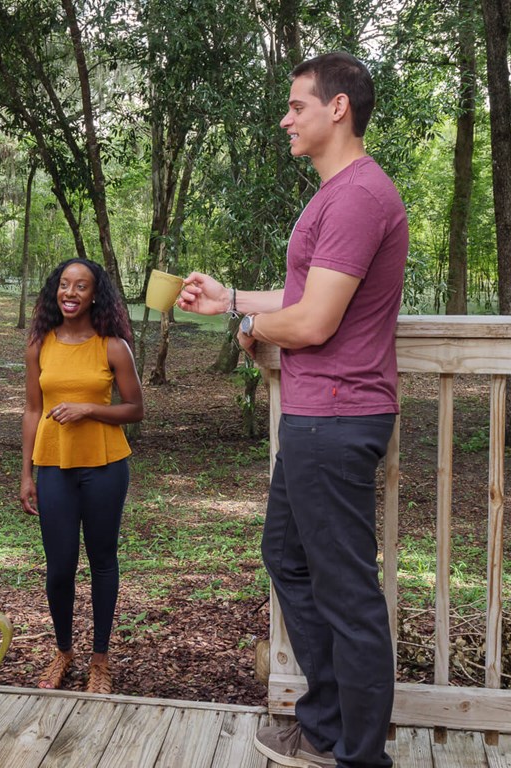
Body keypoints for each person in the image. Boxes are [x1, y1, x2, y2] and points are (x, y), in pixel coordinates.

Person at [178, 52, 408, 768]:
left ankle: (358, 755)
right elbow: (301, 295)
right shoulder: (337, 195)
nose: (286, 117)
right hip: (318, 415)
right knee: (288, 558)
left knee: (347, 595)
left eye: (297, 105)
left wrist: (243, 328)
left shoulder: (358, 196)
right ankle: (326, 724)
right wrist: (233, 300)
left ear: (337, 109)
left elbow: (313, 324)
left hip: (336, 418)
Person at [20, 258, 144, 694]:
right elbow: (33, 408)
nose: (71, 293)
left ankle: (100, 659)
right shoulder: (40, 344)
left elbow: (135, 409)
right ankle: (64, 651)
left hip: (105, 467)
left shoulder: (113, 346)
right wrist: (26, 473)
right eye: (65, 285)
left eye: (82, 286)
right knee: (59, 568)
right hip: (53, 466)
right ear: (56, 290)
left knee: (102, 561)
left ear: (95, 294)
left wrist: (89, 408)